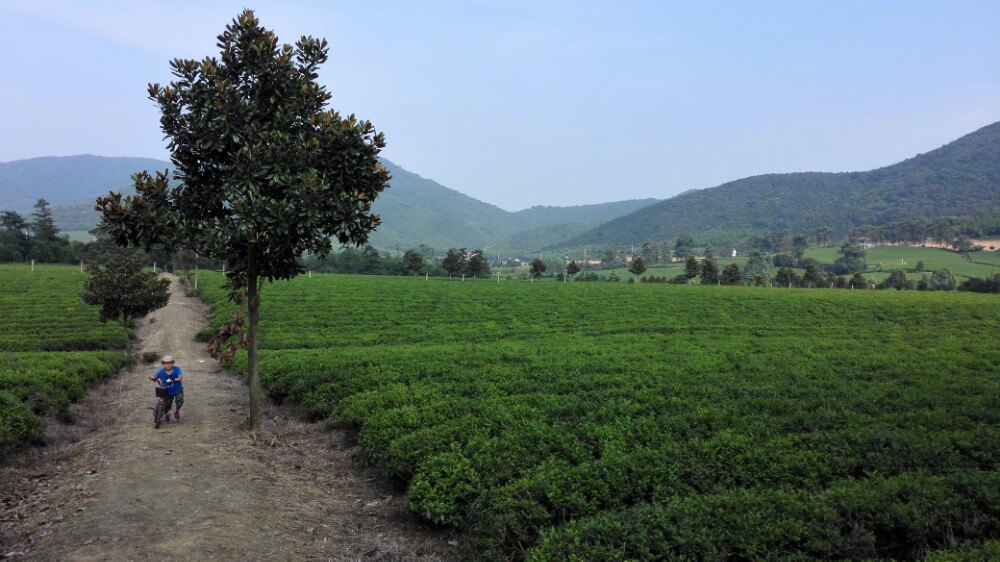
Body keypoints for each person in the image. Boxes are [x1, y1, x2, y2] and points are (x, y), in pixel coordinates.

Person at [149, 355, 184, 423]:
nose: (168, 364)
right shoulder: (161, 371)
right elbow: (155, 375)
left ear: (173, 363)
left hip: (177, 388)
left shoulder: (177, 369)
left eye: (170, 363)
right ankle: (167, 414)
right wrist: (153, 377)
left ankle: (177, 412)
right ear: (163, 364)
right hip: (167, 390)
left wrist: (178, 378)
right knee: (167, 404)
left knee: (180, 401)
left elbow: (180, 376)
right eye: (166, 363)